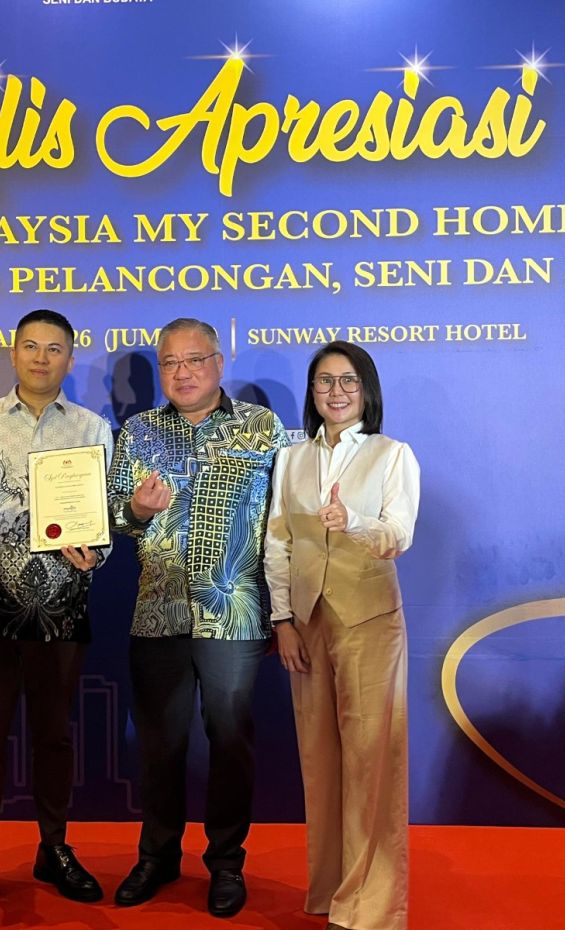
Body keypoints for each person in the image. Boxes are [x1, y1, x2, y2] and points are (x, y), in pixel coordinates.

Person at [107, 317, 289, 917]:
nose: (182, 373)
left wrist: (285, 609)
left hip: (234, 614)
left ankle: (226, 862)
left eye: (194, 360)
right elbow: (112, 519)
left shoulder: (261, 428)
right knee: (159, 744)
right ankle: (158, 856)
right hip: (157, 612)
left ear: (218, 363)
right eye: (170, 363)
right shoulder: (138, 431)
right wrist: (137, 510)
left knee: (230, 742)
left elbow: (286, 520)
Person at [0, 309, 113, 921]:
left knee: (54, 735)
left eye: (54, 348)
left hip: (63, 605)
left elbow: (103, 520)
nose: (42, 358)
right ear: (14, 354)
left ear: (70, 358)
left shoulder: (93, 427)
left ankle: (54, 848)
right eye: (31, 347)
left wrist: (95, 551)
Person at [263, 341, 420, 930]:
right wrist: (283, 620)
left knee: (371, 761)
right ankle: (331, 891)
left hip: (369, 620)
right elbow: (278, 542)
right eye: (325, 381)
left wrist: (350, 521)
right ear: (312, 392)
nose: (336, 391)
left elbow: (398, 535)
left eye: (348, 380)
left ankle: (370, 908)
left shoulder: (392, 454)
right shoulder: (291, 458)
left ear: (366, 390)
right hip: (308, 621)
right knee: (320, 761)